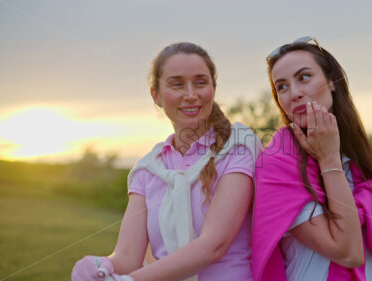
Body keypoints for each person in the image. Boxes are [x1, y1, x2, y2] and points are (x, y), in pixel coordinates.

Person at [72, 42, 261, 281]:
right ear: (156, 95)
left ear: (214, 88)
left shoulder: (238, 147)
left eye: (200, 82)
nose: (191, 94)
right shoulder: (148, 169)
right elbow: (128, 256)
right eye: (177, 84)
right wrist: (100, 266)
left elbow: (214, 245)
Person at [252, 36, 372, 281]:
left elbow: (371, 261)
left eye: (304, 77)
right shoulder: (278, 163)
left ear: (332, 81)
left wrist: (333, 155)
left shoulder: (352, 155)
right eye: (282, 86)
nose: (294, 94)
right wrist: (329, 160)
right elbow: (347, 252)